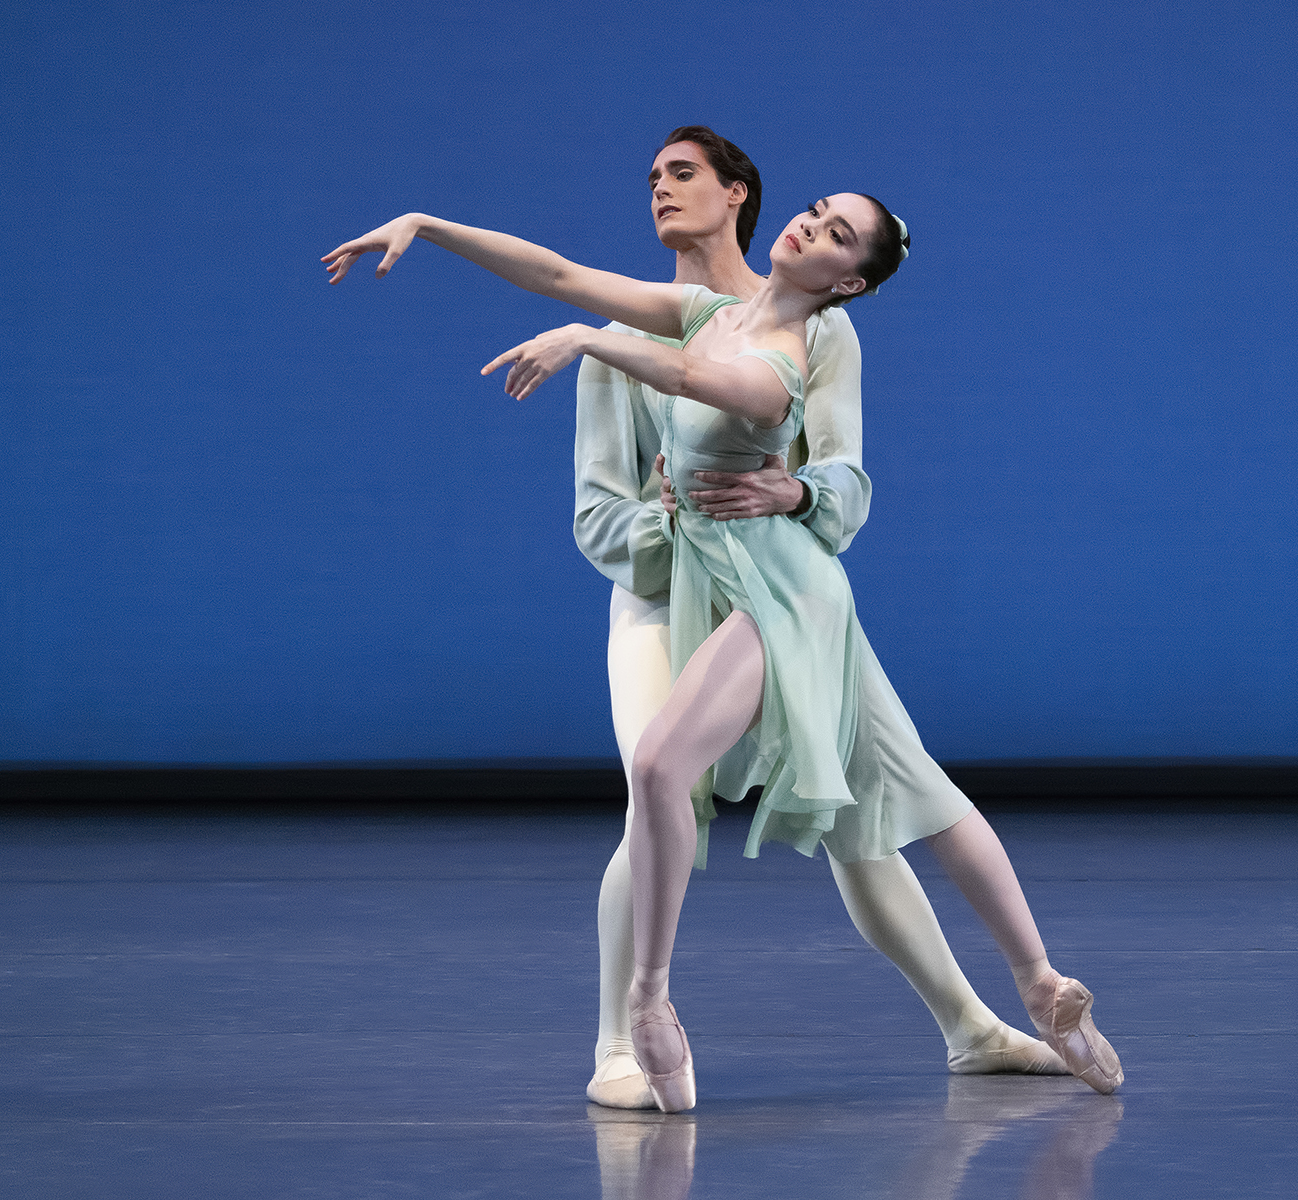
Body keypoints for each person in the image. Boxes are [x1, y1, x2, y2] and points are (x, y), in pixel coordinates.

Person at [323, 183, 1123, 1115]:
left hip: (784, 593)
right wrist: (429, 224)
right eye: (817, 209)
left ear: (847, 283)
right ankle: (1036, 982)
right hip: (735, 584)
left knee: (686, 767)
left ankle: (654, 1000)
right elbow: (558, 272)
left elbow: (701, 384)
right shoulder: (708, 310)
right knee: (909, 793)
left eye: (835, 236)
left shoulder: (789, 353)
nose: (809, 227)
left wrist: (588, 339)